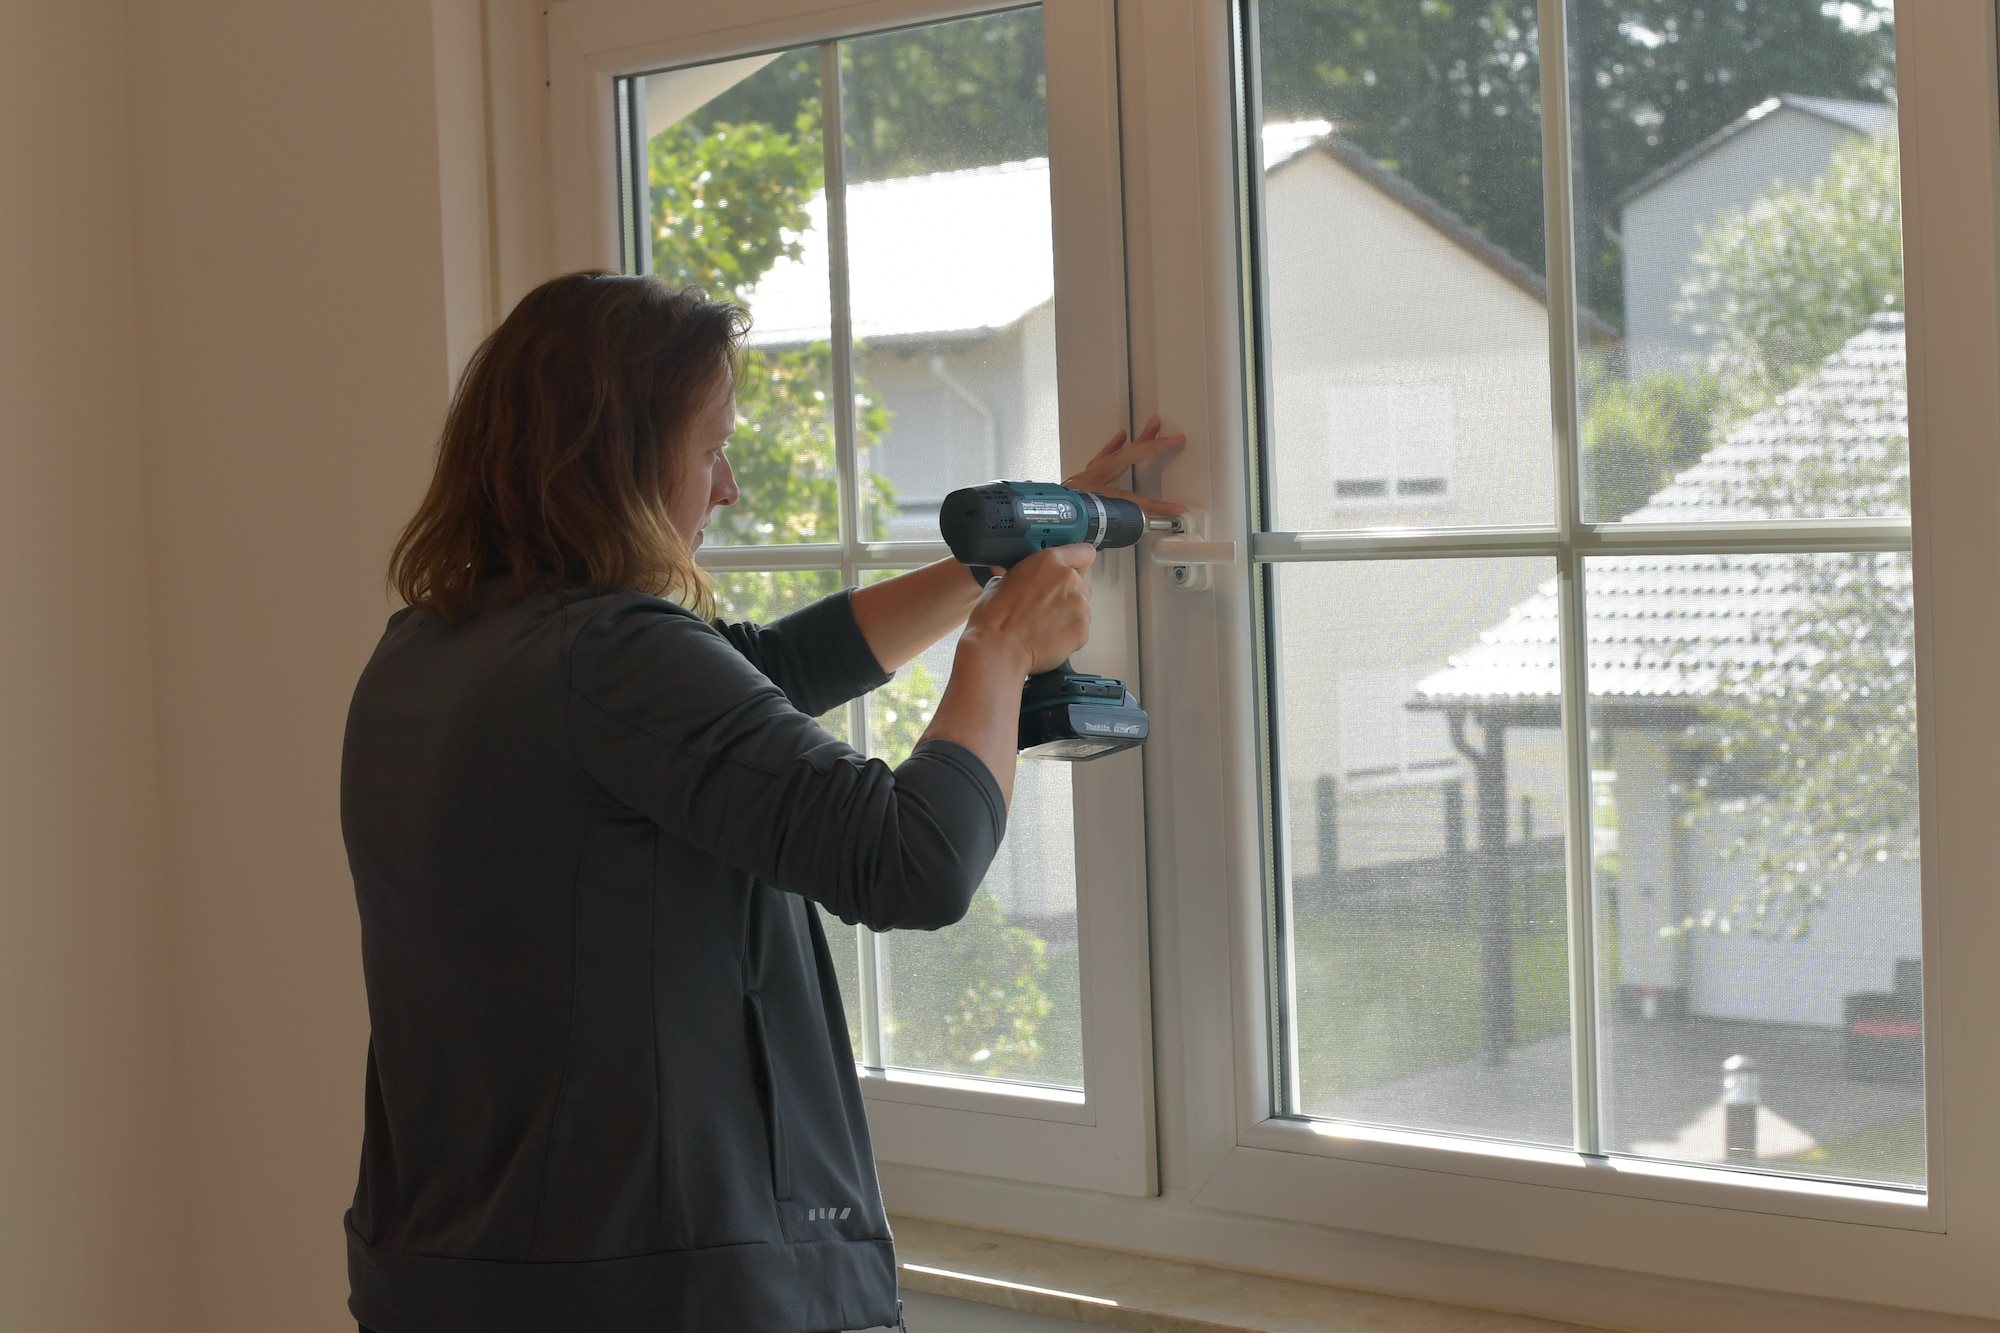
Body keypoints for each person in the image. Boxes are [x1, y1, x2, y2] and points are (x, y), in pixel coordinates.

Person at [341, 272, 1182, 1333]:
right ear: (618, 464)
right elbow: (910, 861)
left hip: (452, 1275)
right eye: (708, 447)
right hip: (648, 1290)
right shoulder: (610, 656)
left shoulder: (430, 647)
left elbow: (769, 667)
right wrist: (999, 650)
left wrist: (994, 561)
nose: (726, 484)